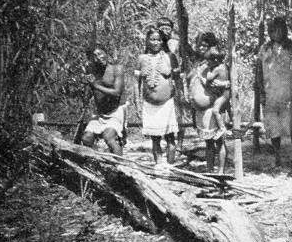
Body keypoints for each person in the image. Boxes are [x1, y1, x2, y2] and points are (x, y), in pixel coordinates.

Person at [255, 16, 292, 169]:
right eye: (273, 30)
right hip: (271, 93)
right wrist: (261, 90)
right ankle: (277, 156)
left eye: (279, 30)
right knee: (274, 126)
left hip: (289, 92)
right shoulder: (264, 48)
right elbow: (259, 70)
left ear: (284, 30)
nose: (276, 33)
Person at [135, 26, 180, 166]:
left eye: (158, 40)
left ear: (162, 41)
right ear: (147, 41)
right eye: (152, 39)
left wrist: (180, 98)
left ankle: (170, 167)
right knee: (155, 139)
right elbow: (136, 82)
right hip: (149, 105)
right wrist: (137, 102)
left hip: (167, 103)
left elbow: (178, 78)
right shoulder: (141, 58)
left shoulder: (169, 57)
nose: (155, 43)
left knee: (170, 137)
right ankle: (159, 166)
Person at [187, 32, 230, 173]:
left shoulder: (217, 66)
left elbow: (222, 86)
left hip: (214, 107)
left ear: (211, 47)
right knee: (208, 142)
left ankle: (221, 170)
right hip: (201, 110)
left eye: (205, 45)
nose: (201, 48)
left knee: (219, 141)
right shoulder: (199, 63)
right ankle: (210, 169)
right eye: (199, 45)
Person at [81, 44, 125, 156]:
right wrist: (86, 84)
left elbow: (117, 92)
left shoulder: (117, 69)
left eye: (100, 54)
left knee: (108, 137)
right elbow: (87, 97)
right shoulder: (91, 71)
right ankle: (90, 161)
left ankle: (120, 164)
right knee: (86, 138)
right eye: (94, 56)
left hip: (116, 111)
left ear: (106, 53)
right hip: (100, 112)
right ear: (91, 60)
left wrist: (95, 85)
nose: (98, 58)